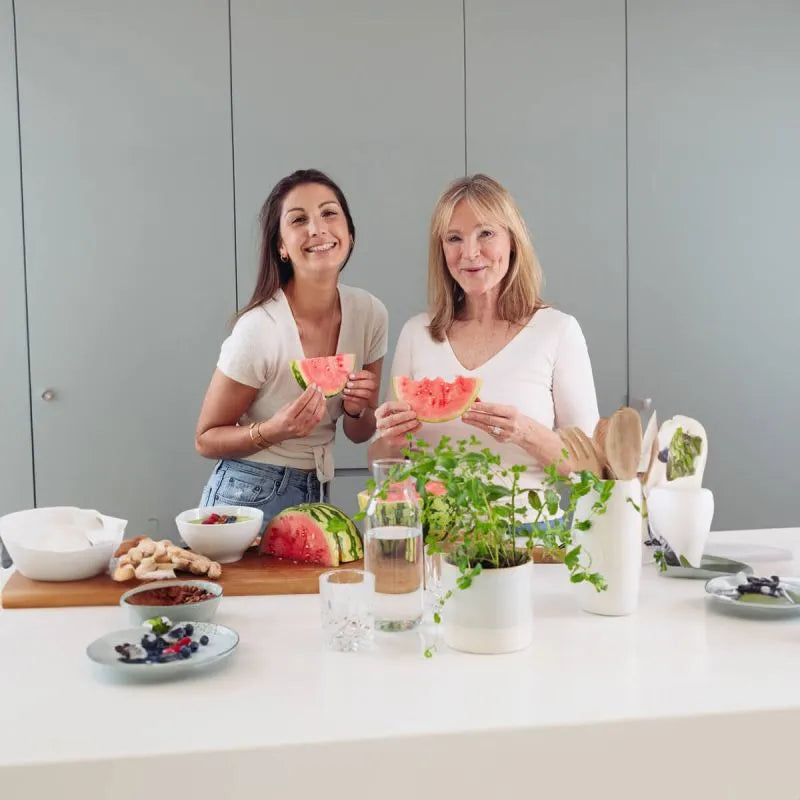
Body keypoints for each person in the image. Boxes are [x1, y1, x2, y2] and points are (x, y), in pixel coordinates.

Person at [368, 174, 598, 519]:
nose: (470, 253)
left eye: (486, 233)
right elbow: (381, 460)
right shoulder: (418, 332)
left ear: (512, 241)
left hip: (527, 538)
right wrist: (389, 439)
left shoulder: (558, 331)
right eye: (454, 238)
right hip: (433, 536)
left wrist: (524, 432)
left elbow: (591, 469)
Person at [196, 169, 387, 529]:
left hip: (317, 491)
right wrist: (272, 430)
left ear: (350, 234)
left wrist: (359, 410)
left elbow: (359, 433)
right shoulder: (259, 329)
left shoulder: (370, 314)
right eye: (299, 219)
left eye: (329, 213)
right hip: (246, 493)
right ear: (281, 247)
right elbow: (205, 439)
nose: (317, 228)